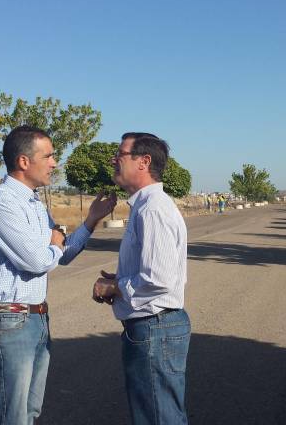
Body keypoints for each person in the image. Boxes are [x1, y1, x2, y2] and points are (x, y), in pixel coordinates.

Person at [0, 125, 116, 425]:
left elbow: (60, 255)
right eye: (48, 156)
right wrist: (54, 242)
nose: (54, 163)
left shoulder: (34, 203)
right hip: (9, 319)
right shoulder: (2, 202)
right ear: (24, 162)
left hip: (35, 317)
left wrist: (90, 221)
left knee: (29, 411)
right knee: (11, 415)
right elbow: (37, 260)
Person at [92, 132, 190, 425]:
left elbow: (158, 278)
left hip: (154, 326)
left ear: (143, 162)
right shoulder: (145, 207)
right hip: (152, 326)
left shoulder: (153, 210)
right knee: (157, 414)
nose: (114, 159)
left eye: (121, 154)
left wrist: (114, 286)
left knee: (158, 417)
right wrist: (122, 280)